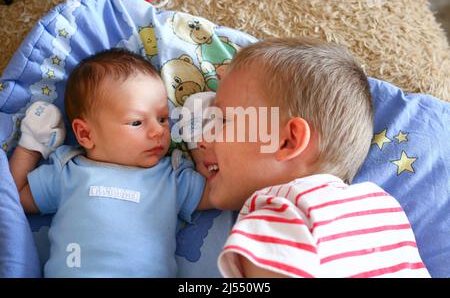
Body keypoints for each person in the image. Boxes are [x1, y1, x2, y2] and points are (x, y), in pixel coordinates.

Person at [198, 38, 430, 277]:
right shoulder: (382, 208)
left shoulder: (282, 214)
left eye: (224, 120)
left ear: (287, 141)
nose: (202, 140)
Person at [8, 48, 211, 277]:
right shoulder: (68, 171)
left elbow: (215, 191)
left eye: (162, 118)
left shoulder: (172, 177)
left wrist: (199, 141)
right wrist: (31, 146)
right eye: (136, 122)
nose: (158, 131)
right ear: (85, 135)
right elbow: (13, 198)